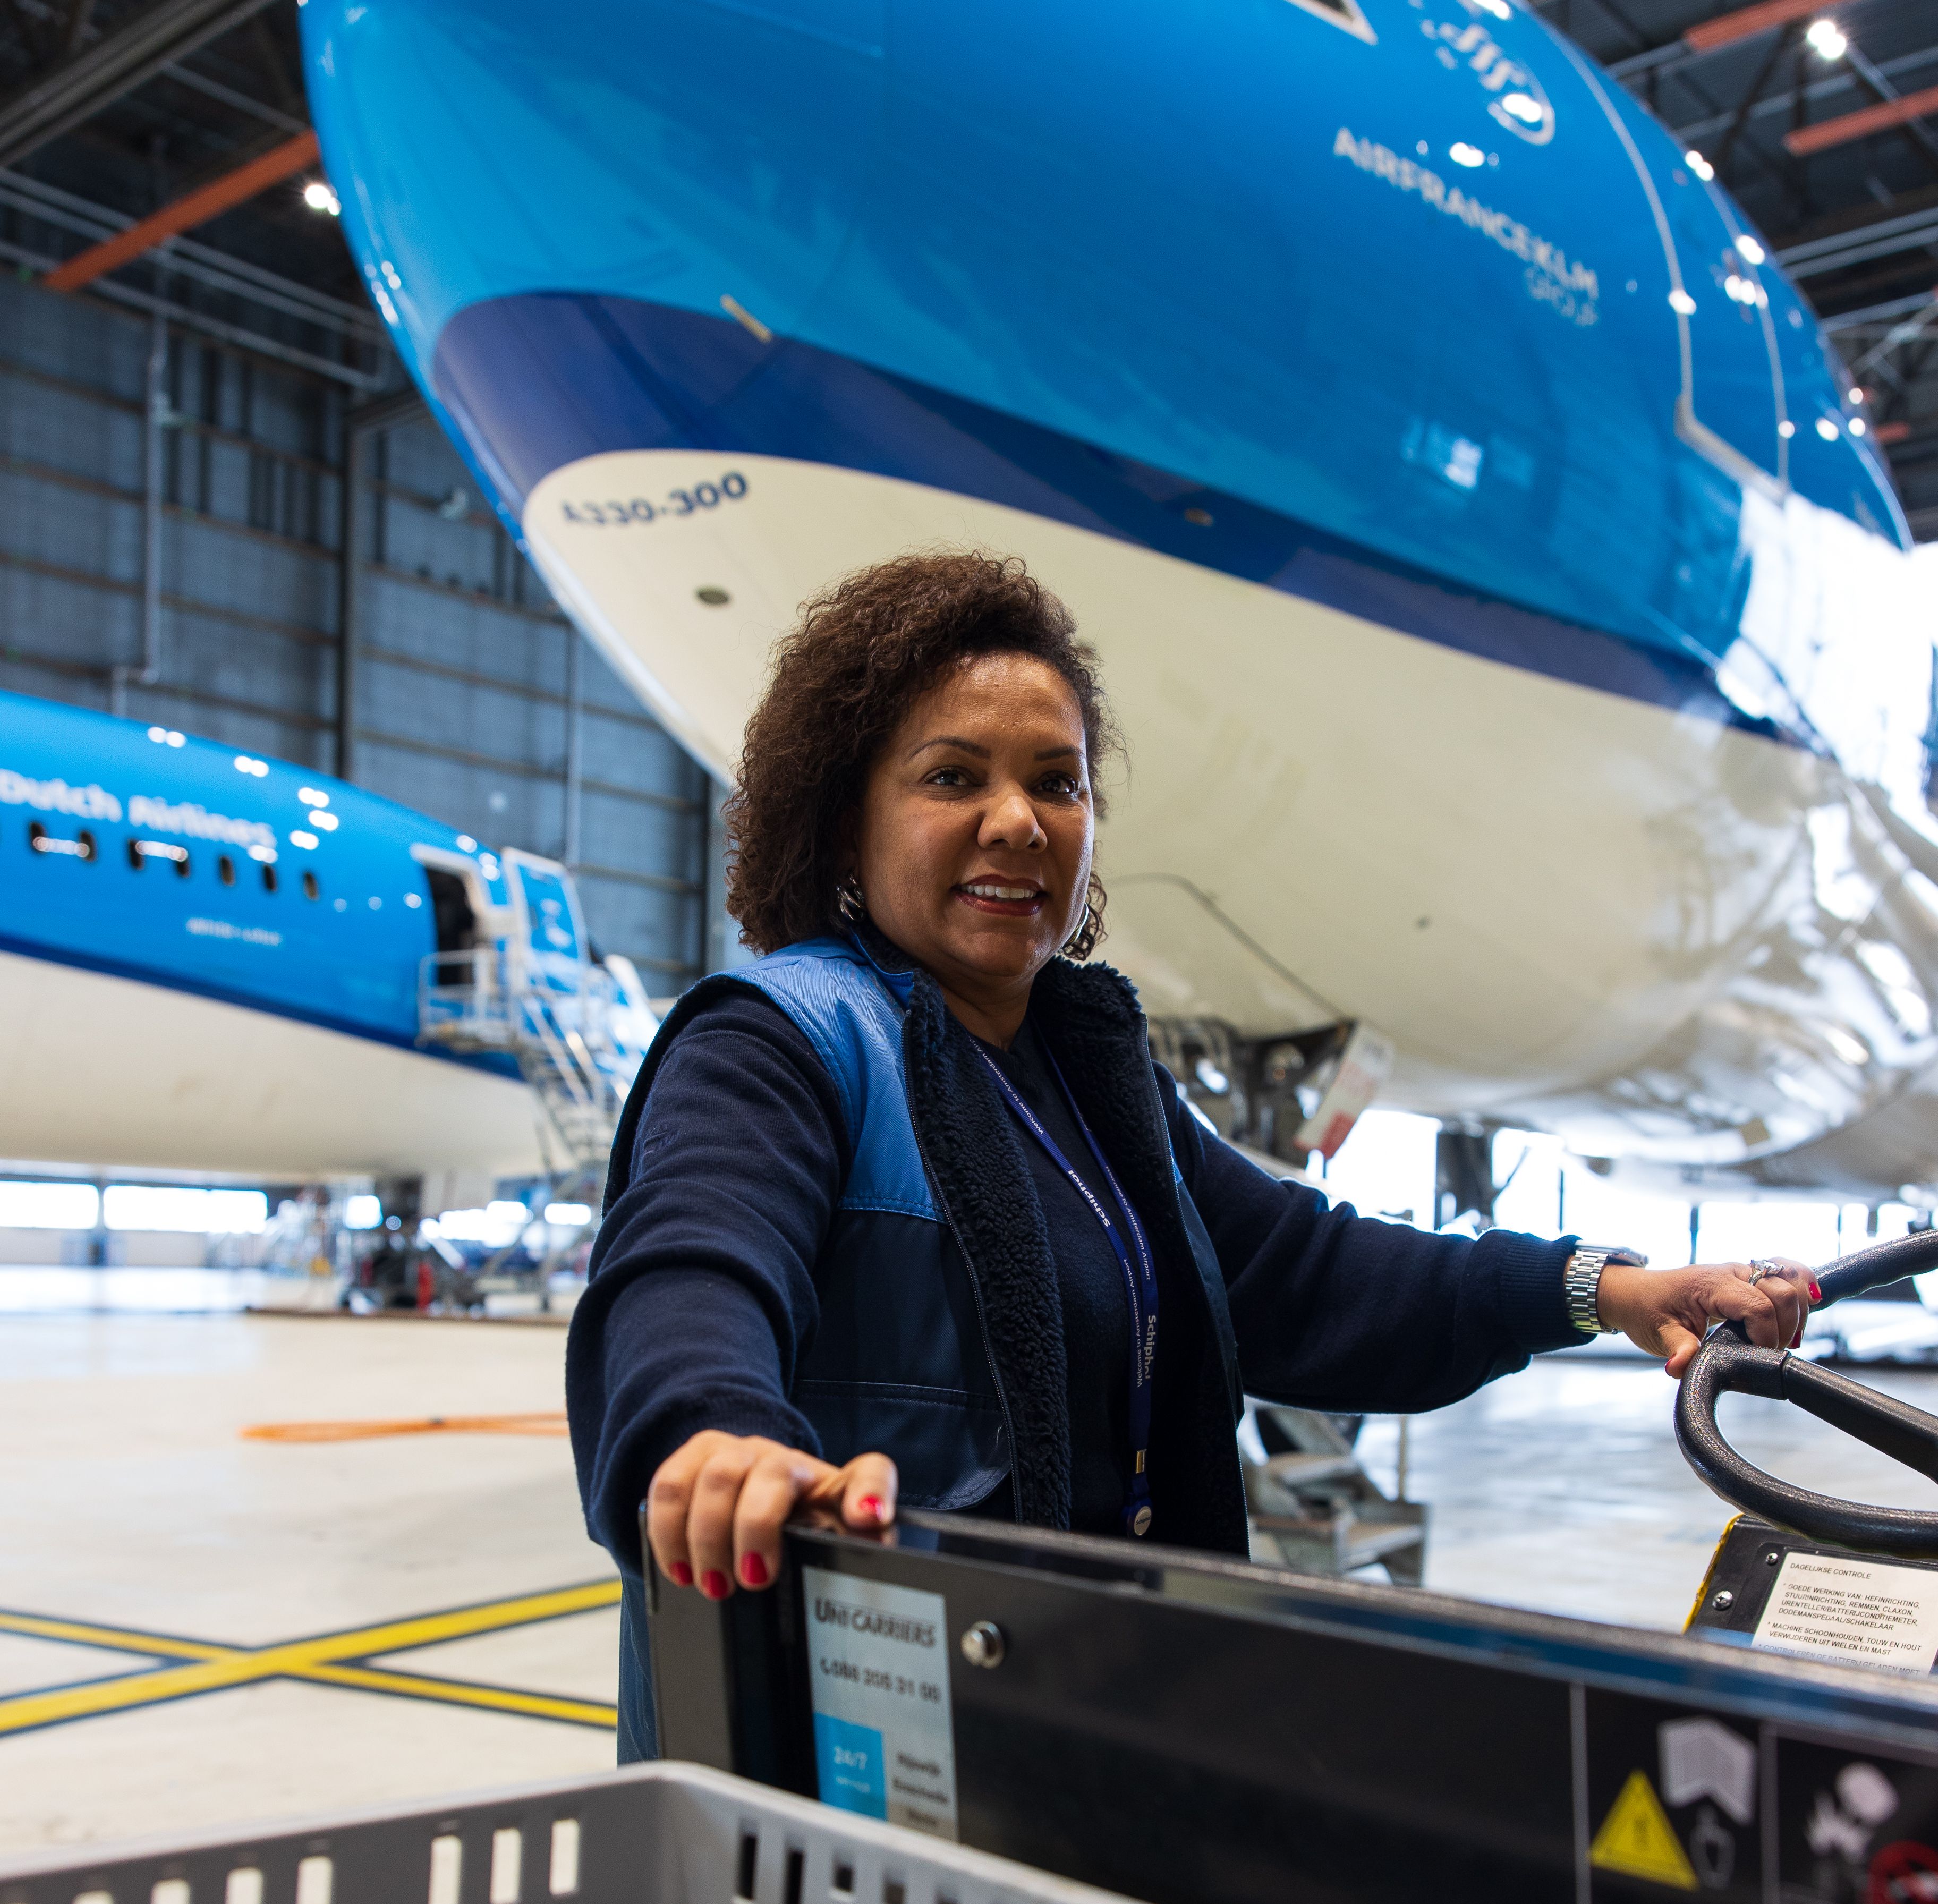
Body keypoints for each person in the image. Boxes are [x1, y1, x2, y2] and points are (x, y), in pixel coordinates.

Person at [566, 550, 1818, 1762]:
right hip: (855, 1762)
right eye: (954, 779)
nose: (1018, 822)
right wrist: (711, 1430)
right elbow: (691, 1269)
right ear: (847, 823)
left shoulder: (1089, 1076)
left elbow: (1304, 1273)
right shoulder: (780, 1043)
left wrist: (1606, 1289)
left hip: (1092, 1730)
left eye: (1058, 784)